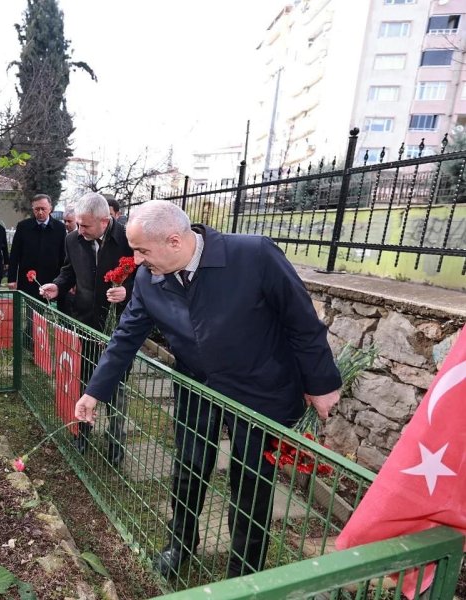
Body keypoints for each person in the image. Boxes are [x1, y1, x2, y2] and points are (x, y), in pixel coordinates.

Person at [73, 200, 341, 580]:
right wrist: (95, 392)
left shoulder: (253, 255)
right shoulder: (149, 279)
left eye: (142, 250)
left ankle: (243, 570)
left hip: (259, 392)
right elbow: (125, 337)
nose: (136, 259)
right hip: (197, 387)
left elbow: (301, 321)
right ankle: (180, 543)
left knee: (251, 482)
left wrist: (322, 383)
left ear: (175, 241)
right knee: (189, 467)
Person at [39, 192, 134, 466]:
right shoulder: (72, 239)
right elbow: (68, 271)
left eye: (86, 226)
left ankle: (116, 443)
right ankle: (82, 432)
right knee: (82, 380)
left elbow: (146, 277)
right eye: (78, 225)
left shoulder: (128, 241)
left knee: (117, 387)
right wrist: (57, 286)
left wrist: (126, 291)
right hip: (83, 323)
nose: (80, 231)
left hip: (118, 328)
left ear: (105, 222)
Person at [7, 194, 66, 301]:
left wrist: (62, 281)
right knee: (30, 313)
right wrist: (12, 279)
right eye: (37, 209)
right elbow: (15, 254)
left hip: (51, 280)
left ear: (50, 209)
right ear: (32, 209)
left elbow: (64, 256)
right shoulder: (23, 227)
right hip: (28, 280)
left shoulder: (60, 228)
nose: (40, 212)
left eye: (43, 209)